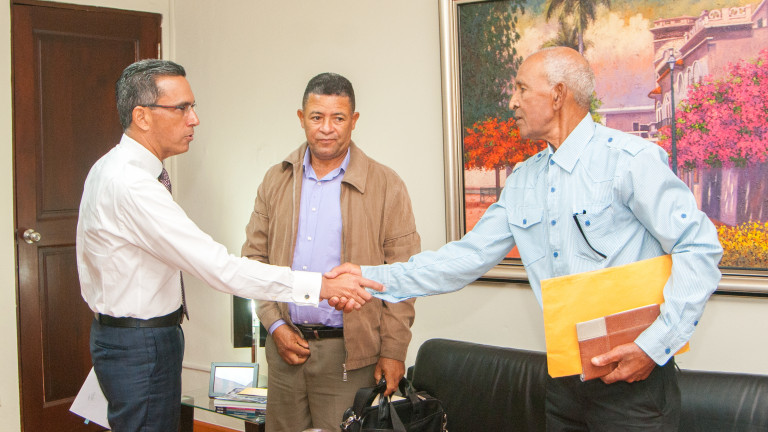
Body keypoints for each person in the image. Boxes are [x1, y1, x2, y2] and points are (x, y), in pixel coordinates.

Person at [328, 47, 723, 431]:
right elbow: (465, 258)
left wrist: (654, 346)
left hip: (636, 384)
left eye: (521, 89)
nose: (512, 102)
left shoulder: (629, 160)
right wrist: (368, 277)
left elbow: (699, 246)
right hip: (565, 382)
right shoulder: (524, 180)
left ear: (558, 95)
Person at [76, 60, 381, 432]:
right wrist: (320, 286)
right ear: (142, 116)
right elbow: (219, 267)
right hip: (141, 344)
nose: (194, 119)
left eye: (193, 106)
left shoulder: (110, 167)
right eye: (182, 108)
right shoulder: (132, 185)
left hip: (129, 338)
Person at [241, 72, 420, 432]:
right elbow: (254, 261)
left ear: (354, 120)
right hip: (284, 349)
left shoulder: (386, 184)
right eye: (316, 117)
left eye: (338, 118)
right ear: (301, 118)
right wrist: (274, 324)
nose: (326, 128)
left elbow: (404, 275)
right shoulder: (276, 180)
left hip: (349, 359)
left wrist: (393, 351)